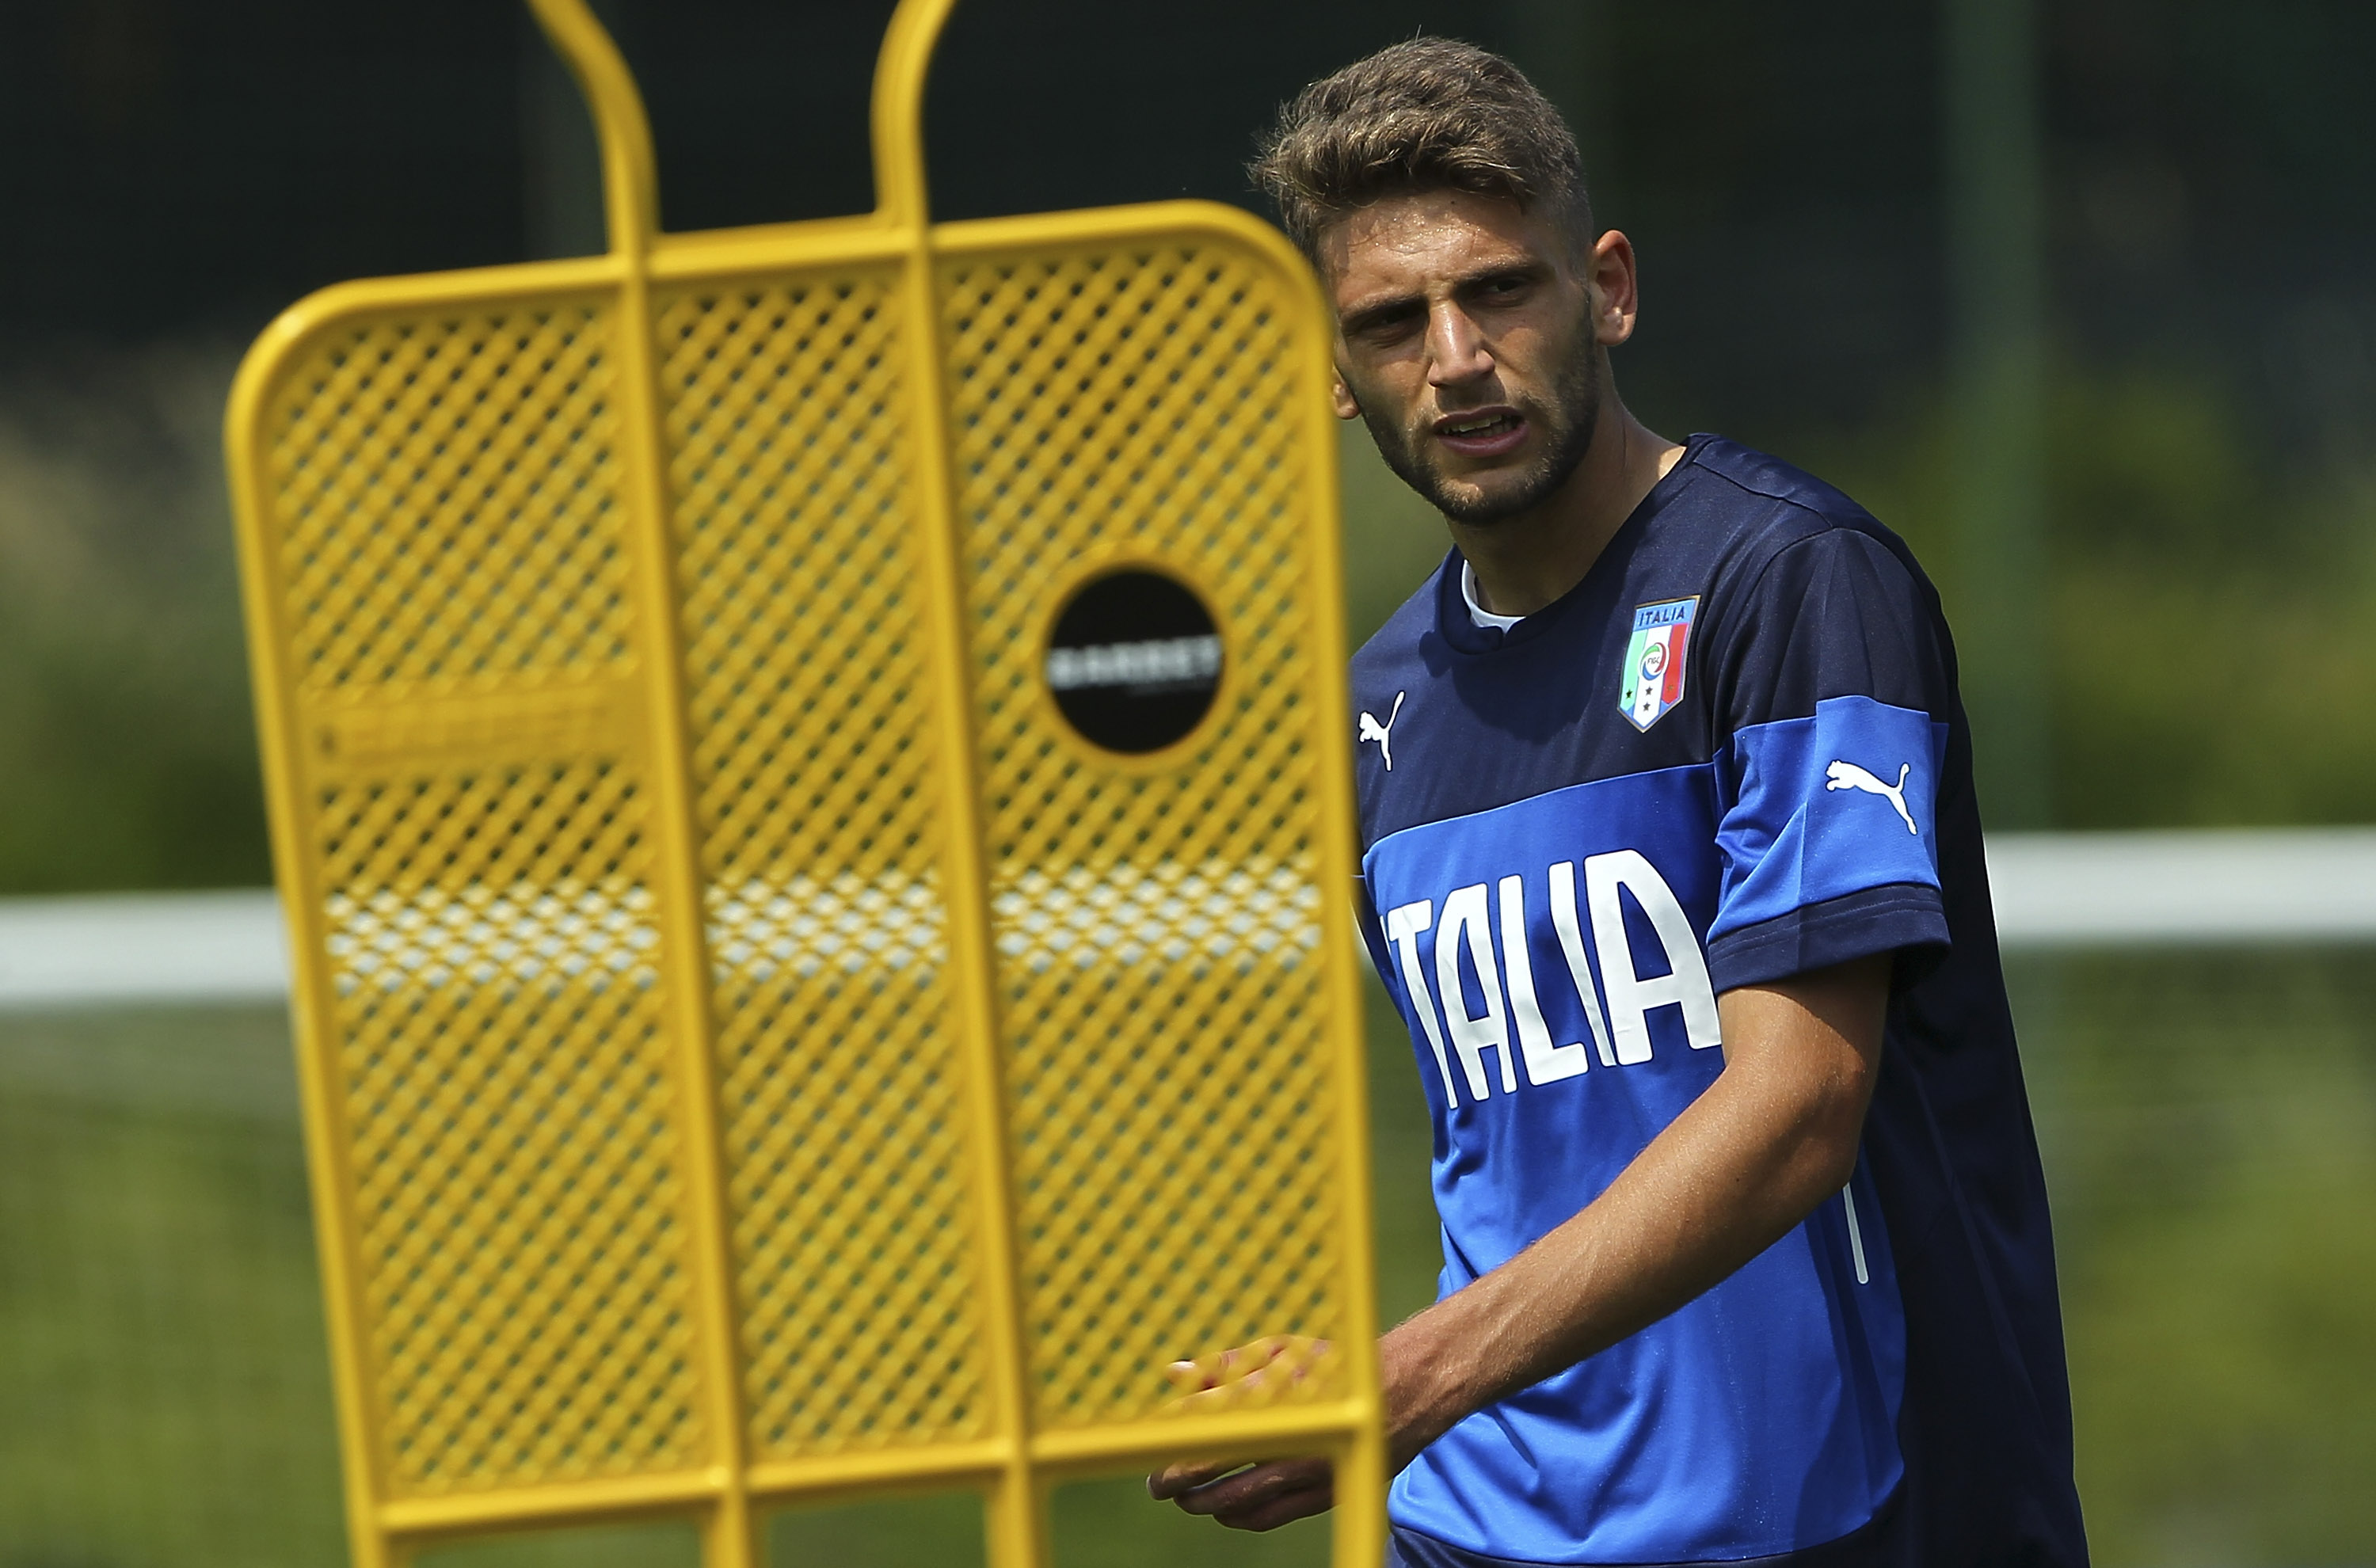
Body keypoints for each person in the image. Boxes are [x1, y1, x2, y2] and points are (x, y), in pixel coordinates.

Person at [1146, 38, 2089, 1568]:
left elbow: (1796, 1113)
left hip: (1845, 1525)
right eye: (1392, 322)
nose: (1454, 356)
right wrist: (1338, 1385)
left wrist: (1413, 1376)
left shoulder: (1791, 585)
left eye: (1499, 292)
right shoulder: (1382, 702)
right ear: (1336, 376)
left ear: (1611, 289)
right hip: (1476, 1529)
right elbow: (1512, 1164)